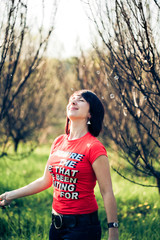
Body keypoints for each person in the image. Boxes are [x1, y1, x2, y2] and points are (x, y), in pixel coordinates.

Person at [0, 89, 119, 240]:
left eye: (81, 100)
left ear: (90, 113)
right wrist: (11, 195)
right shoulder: (58, 142)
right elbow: (45, 181)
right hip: (56, 225)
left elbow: (107, 191)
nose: (74, 101)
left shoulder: (93, 147)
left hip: (82, 227)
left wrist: (113, 232)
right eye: (72, 99)